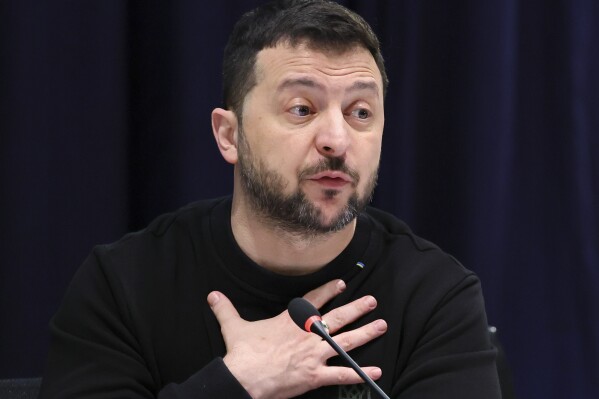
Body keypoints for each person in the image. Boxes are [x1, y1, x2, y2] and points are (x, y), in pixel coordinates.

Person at [39, 0, 501, 398]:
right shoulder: (124, 286)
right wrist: (235, 383)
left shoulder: (437, 298)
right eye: (302, 109)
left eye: (361, 112)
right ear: (229, 134)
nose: (337, 140)